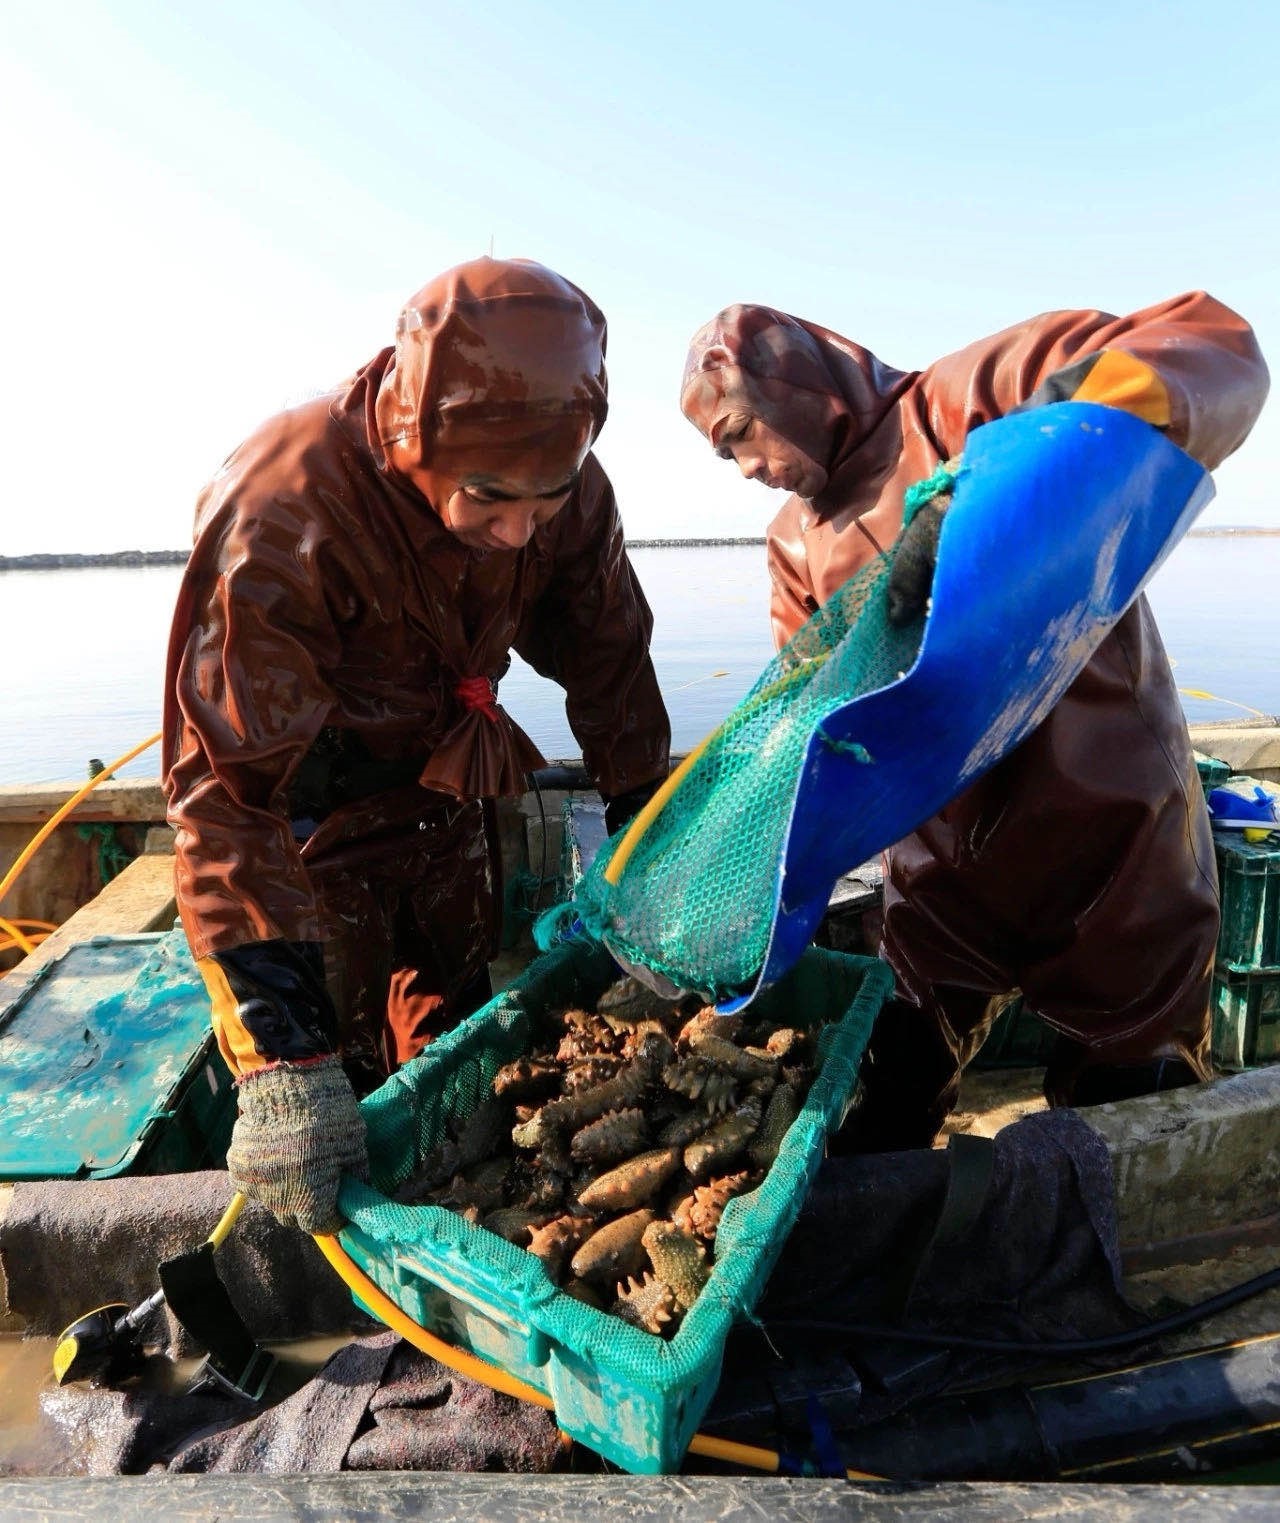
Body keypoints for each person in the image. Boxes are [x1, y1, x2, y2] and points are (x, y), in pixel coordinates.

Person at [680, 292, 1268, 1147]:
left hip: (1110, 825)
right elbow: (802, 721)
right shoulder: (792, 544)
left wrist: (985, 492)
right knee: (886, 1096)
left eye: (741, 434)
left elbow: (1213, 345)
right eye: (722, 455)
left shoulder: (965, 396)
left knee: (1131, 1106)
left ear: (791, 386)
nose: (745, 468)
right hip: (943, 868)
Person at [165, 257, 671, 1229]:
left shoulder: (566, 489)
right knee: (336, 1073)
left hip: (446, 791)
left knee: (454, 1017)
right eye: (488, 498)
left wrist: (644, 835)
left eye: (547, 497)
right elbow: (225, 791)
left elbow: (611, 663)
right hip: (307, 820)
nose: (520, 530)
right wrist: (282, 1055)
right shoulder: (287, 503)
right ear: (416, 445)